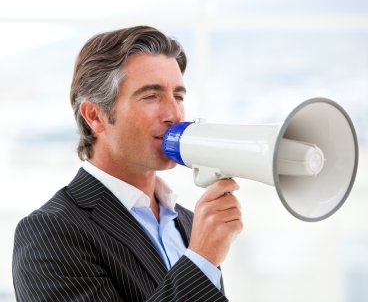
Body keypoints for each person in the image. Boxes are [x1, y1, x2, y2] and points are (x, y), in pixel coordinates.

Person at [12, 26, 243, 301]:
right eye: (151, 96)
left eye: (178, 97)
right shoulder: (49, 233)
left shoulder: (187, 222)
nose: (174, 114)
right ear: (95, 115)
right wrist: (202, 258)